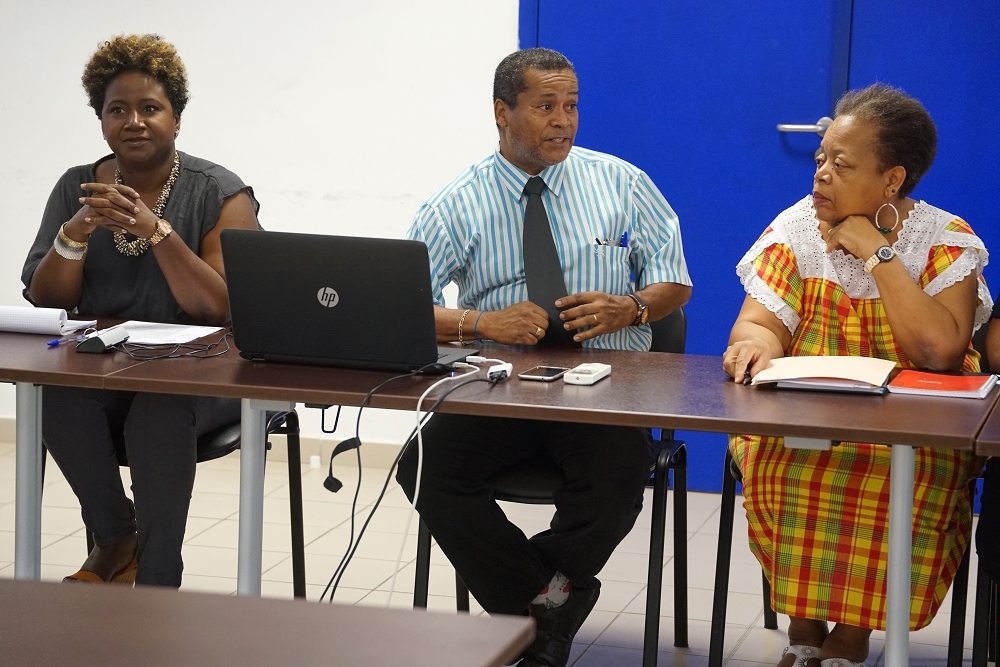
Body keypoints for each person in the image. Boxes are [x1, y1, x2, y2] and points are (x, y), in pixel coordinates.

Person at [396, 48, 691, 667]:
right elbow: (402, 305)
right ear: (502, 112)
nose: (563, 121)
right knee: (424, 466)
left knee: (614, 480)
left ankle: (537, 609)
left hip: (605, 384)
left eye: (572, 106)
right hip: (500, 384)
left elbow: (675, 282)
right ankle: (549, 602)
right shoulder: (456, 203)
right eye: (546, 106)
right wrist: (481, 322)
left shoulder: (622, 183)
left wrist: (630, 307)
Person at [723, 83, 990, 667]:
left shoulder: (944, 239)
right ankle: (804, 628)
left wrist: (876, 250)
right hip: (809, 409)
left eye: (841, 165)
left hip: (916, 422)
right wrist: (753, 348)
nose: (821, 174)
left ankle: (852, 634)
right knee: (779, 461)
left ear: (892, 180)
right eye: (821, 159)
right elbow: (758, 325)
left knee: (907, 476)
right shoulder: (796, 229)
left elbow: (939, 351)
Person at [21, 34, 260, 587]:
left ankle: (156, 580)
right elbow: (47, 297)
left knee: (158, 408)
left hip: (204, 381)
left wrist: (157, 231)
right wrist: (75, 232)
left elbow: (219, 306)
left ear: (176, 119)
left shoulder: (221, 193)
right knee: (52, 392)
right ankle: (116, 538)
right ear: (101, 120)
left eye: (150, 108)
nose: (133, 121)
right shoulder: (78, 187)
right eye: (117, 110)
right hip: (108, 372)